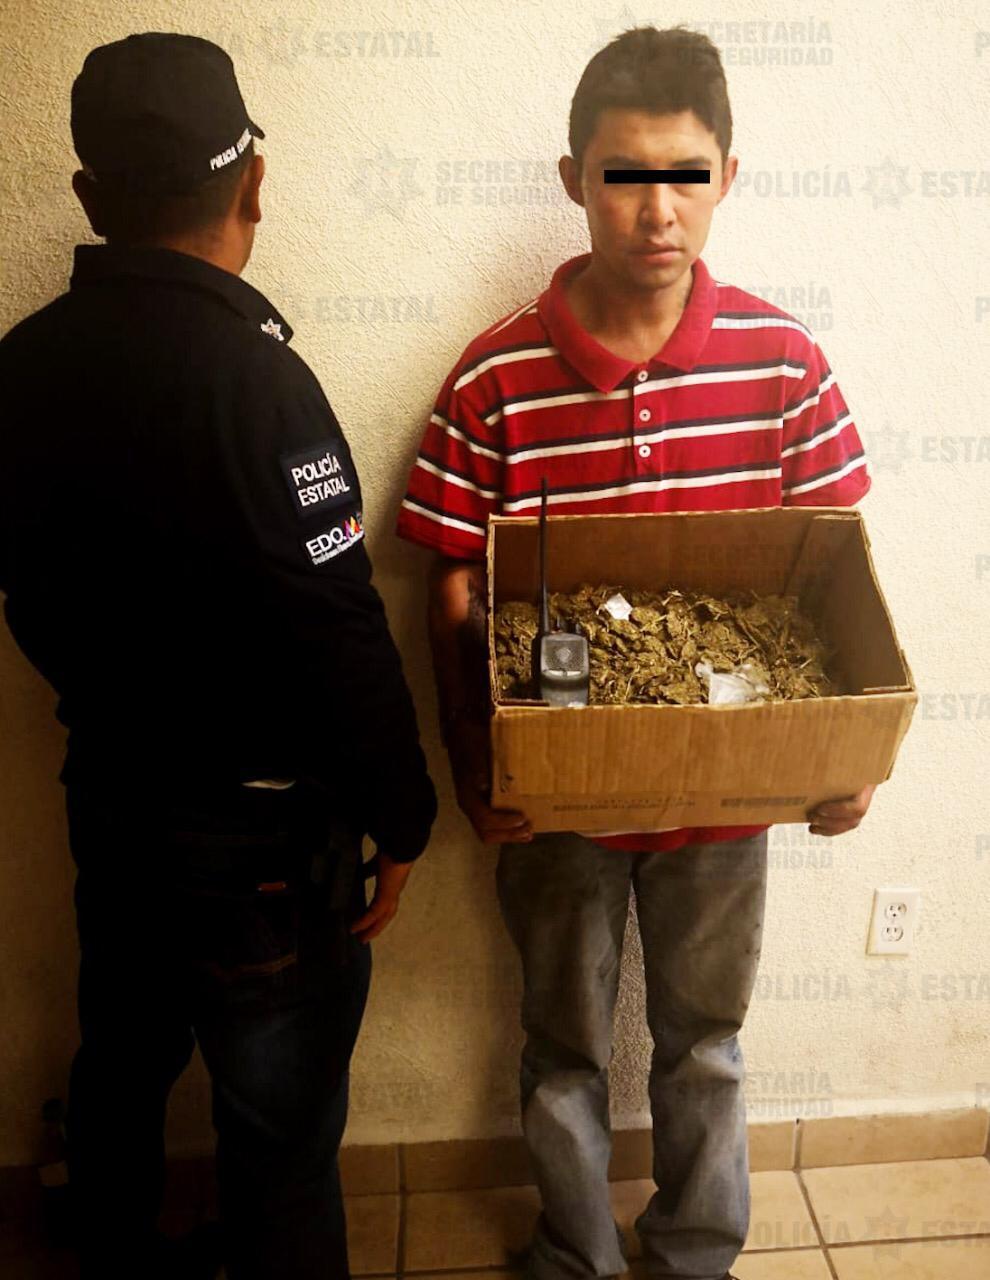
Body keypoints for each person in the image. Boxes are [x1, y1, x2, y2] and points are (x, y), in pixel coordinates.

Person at [397, 25, 874, 1280]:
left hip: (727, 805)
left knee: (705, 1040)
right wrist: (473, 763)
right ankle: (577, 1251)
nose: (657, 211)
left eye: (686, 174)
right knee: (560, 1043)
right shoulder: (497, 378)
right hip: (557, 804)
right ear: (574, 178)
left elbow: (837, 579)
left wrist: (847, 756)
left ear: (728, 177)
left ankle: (697, 1251)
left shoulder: (783, 364)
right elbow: (449, 584)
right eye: (624, 175)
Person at [0, 32, 436, 1280]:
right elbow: (339, 625)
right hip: (262, 840)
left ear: (89, 197)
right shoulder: (262, 384)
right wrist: (403, 812)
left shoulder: (18, 367)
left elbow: (20, 591)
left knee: (121, 1064)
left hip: (110, 798)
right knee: (279, 1135)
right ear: (255, 183)